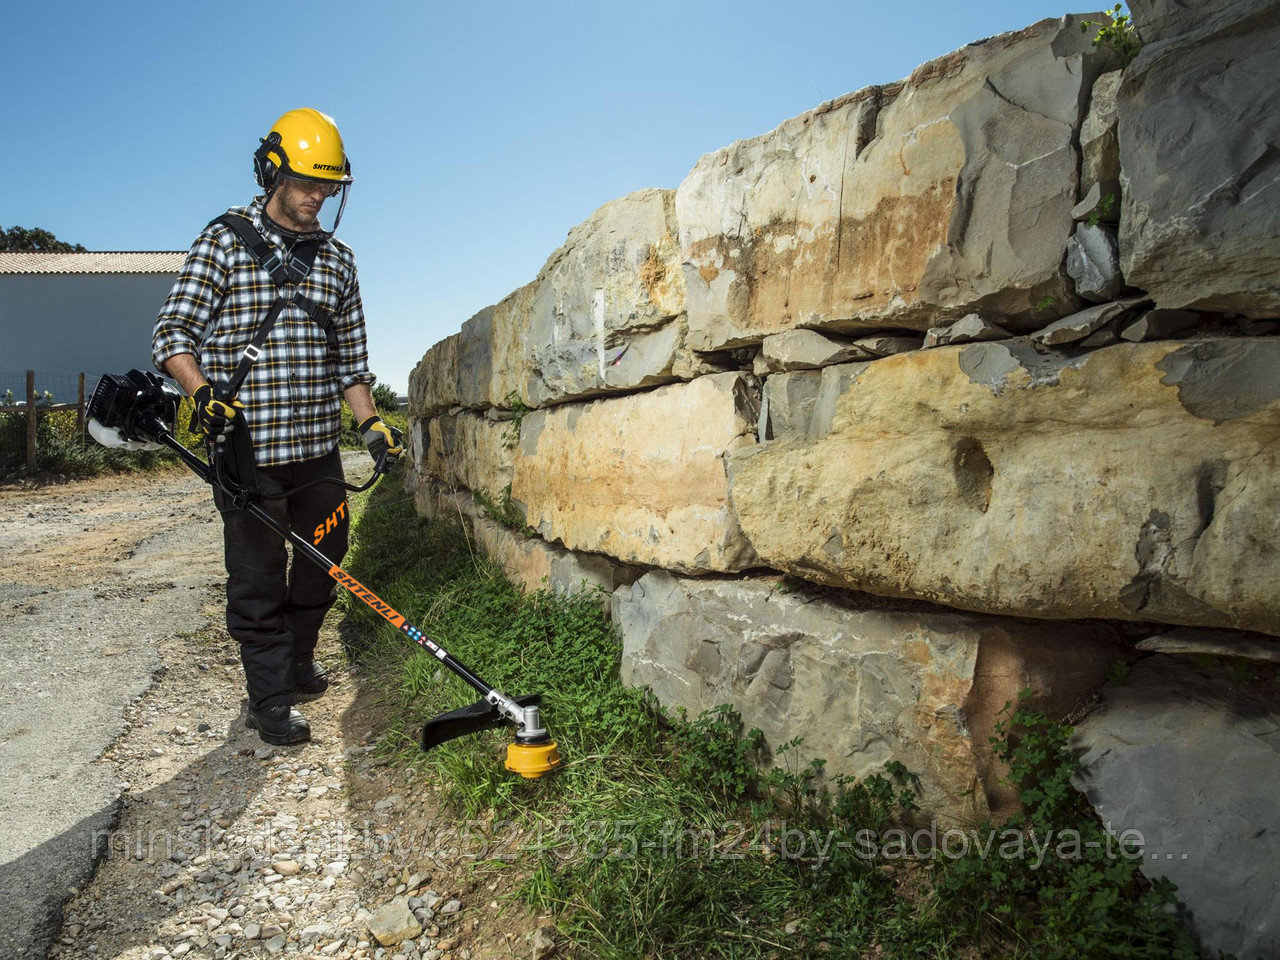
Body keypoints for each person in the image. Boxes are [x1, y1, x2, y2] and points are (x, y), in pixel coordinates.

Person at [152, 108, 402, 746]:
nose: (318, 197)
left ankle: (296, 660)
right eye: (306, 184)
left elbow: (351, 363)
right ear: (272, 174)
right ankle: (268, 697)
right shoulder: (224, 241)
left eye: (328, 187)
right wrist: (200, 392)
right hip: (248, 452)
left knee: (324, 561)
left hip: (319, 451)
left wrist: (371, 426)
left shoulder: (339, 262)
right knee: (258, 578)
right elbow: (173, 334)